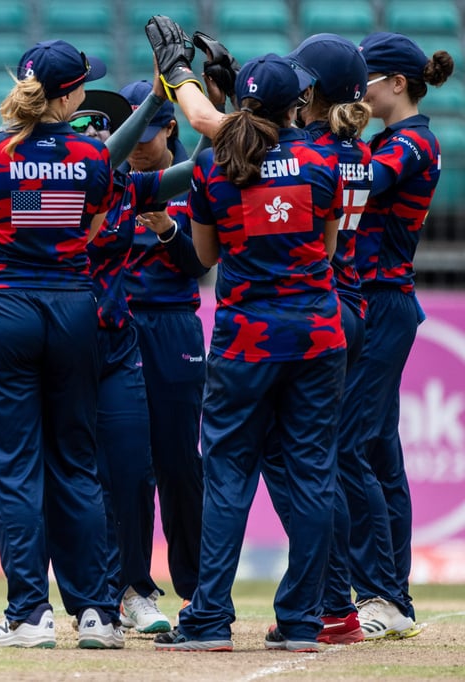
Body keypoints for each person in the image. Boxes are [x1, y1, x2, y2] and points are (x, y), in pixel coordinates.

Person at [149, 52, 347, 653]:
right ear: (299, 107)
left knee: (229, 475)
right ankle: (302, 622)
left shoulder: (214, 165)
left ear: (244, 103)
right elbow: (330, 249)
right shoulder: (323, 161)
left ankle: (209, 621)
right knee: (313, 474)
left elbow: (204, 257)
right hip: (316, 335)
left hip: (243, 341)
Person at [0, 39, 123, 649]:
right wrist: (47, 205)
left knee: (16, 468)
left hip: (3, 310)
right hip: (73, 309)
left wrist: (18, 206)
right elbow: (91, 227)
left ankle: (29, 615)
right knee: (76, 461)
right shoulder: (94, 156)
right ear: (71, 94)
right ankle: (98, 612)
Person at [255, 33, 374, 646]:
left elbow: (236, 138)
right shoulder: (354, 150)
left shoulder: (308, 149)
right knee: (316, 462)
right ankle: (336, 601)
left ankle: (330, 601)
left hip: (315, 304)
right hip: (345, 300)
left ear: (313, 93)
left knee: (298, 465)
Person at [335, 31, 453, 640]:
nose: (360, 90)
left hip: (382, 301)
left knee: (352, 446)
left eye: (367, 80)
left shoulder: (410, 144)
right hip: (381, 301)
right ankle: (393, 593)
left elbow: (351, 184)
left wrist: (318, 132)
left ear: (396, 84)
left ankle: (382, 591)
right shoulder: (396, 140)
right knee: (378, 450)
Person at [113, 78, 208, 632]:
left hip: (174, 326)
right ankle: (130, 590)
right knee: (128, 466)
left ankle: (198, 593)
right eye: (134, 133)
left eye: (149, 134)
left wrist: (169, 229)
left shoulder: (189, 182)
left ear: (171, 127)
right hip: (120, 325)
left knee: (179, 464)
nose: (140, 144)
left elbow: (200, 264)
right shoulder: (113, 178)